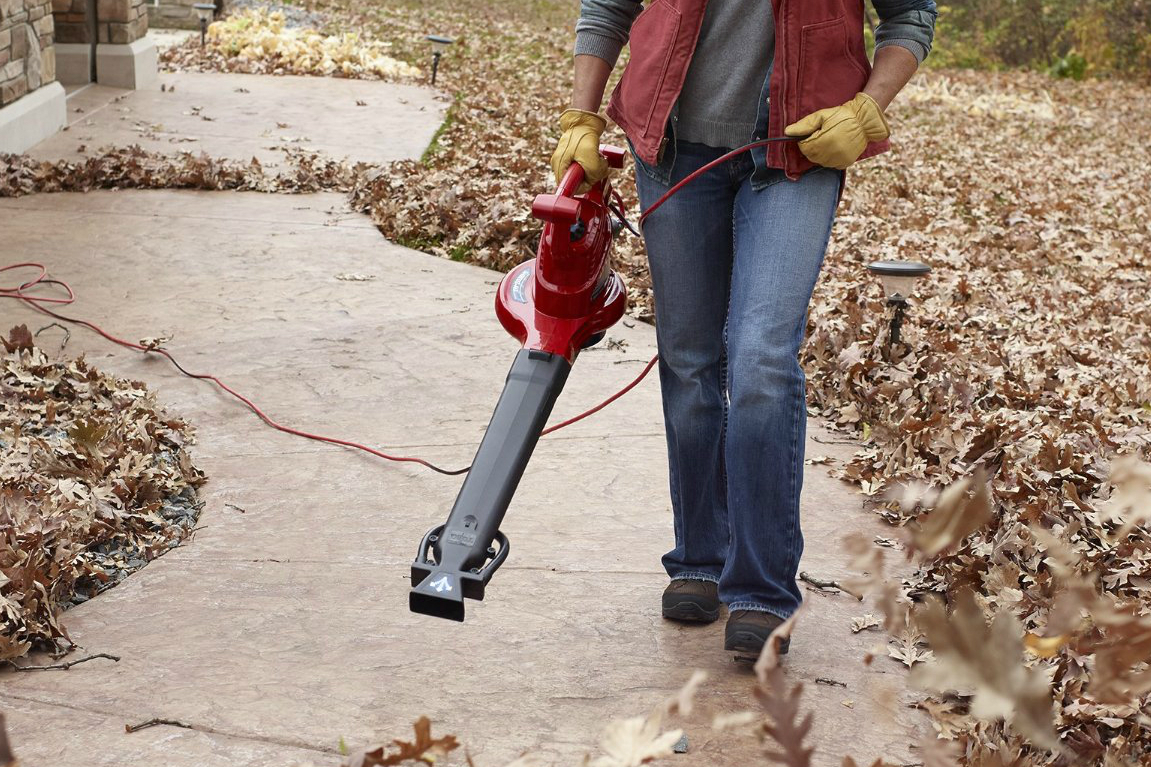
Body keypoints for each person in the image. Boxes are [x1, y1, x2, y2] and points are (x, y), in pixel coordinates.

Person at [551, 0, 937, 657]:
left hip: (796, 152)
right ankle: (699, 558)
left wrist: (866, 107)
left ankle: (759, 587)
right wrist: (581, 115)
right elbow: (609, 6)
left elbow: (909, 15)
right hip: (670, 145)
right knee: (690, 359)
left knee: (759, 358)